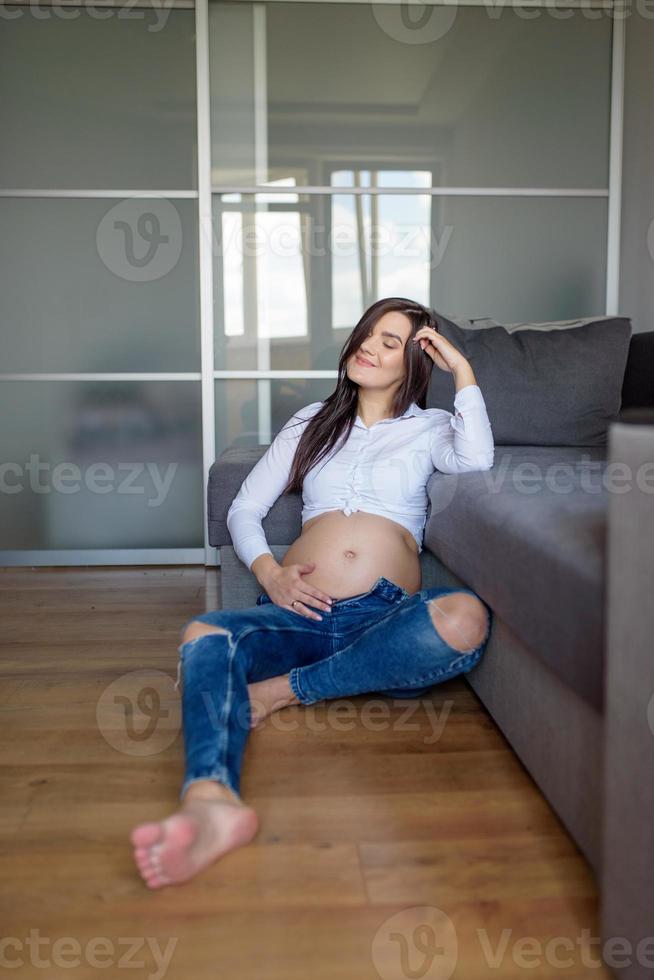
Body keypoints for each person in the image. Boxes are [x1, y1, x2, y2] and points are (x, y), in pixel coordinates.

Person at [131, 296, 495, 889]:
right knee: (203, 633)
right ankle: (209, 804)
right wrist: (271, 574)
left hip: (378, 617)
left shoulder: (432, 429)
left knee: (462, 618)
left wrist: (464, 370)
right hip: (294, 611)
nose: (369, 348)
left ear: (416, 363)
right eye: (367, 335)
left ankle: (279, 692)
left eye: (391, 342)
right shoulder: (310, 422)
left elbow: (478, 457)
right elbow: (246, 507)